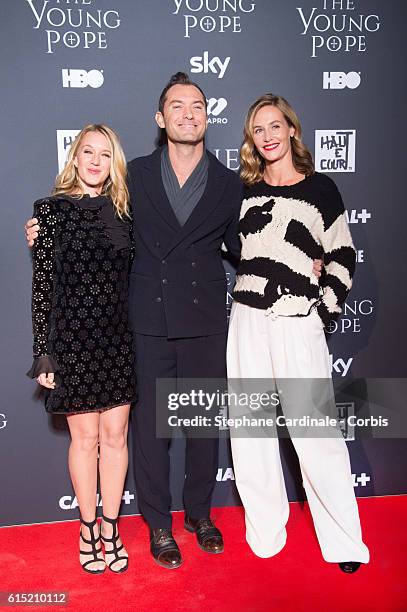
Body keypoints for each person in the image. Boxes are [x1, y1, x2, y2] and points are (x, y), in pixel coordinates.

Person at [25, 75, 322, 570]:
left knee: (204, 428)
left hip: (205, 320)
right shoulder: (133, 176)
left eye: (197, 106)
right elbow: (90, 213)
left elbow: (247, 248)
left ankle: (200, 515)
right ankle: (159, 522)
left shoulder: (230, 184)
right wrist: (44, 229)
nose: (188, 113)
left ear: (208, 117)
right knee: (150, 432)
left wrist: (298, 261)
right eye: (177, 106)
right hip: (144, 321)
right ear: (161, 120)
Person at [226, 94, 369, 573]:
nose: (266, 136)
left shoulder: (321, 189)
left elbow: (344, 255)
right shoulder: (241, 195)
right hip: (246, 320)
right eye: (257, 129)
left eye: (274, 126)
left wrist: (322, 310)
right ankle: (265, 532)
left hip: (296, 320)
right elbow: (233, 249)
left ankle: (344, 541)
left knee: (316, 433)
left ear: (291, 130)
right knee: (250, 431)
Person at [27, 124, 135, 574]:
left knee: (115, 439)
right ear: (74, 157)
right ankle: (87, 526)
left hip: (117, 341)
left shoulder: (128, 212)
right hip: (71, 341)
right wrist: (43, 350)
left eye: (105, 154)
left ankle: (112, 527)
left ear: (115, 164)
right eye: (87, 152)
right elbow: (43, 286)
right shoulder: (49, 212)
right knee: (84, 438)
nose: (95, 161)